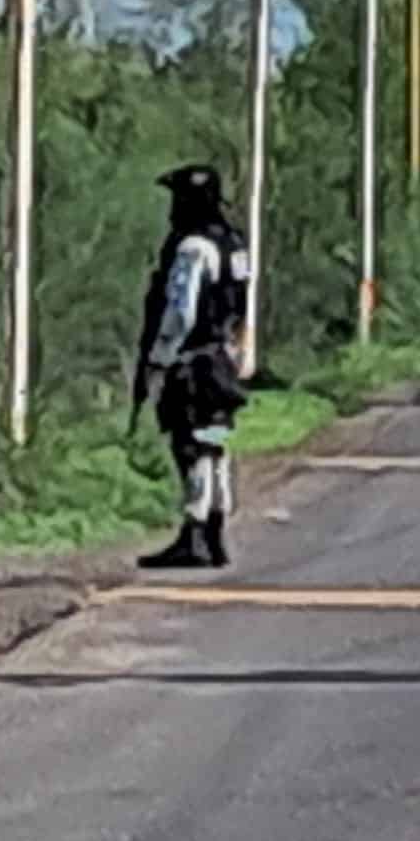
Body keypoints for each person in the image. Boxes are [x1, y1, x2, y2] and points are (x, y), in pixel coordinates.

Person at [130, 163, 252, 569]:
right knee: (213, 441)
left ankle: (195, 533)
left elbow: (180, 311)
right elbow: (239, 305)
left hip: (192, 360)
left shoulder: (192, 248)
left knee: (192, 443)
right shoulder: (233, 244)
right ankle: (214, 530)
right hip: (222, 356)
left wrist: (158, 361)